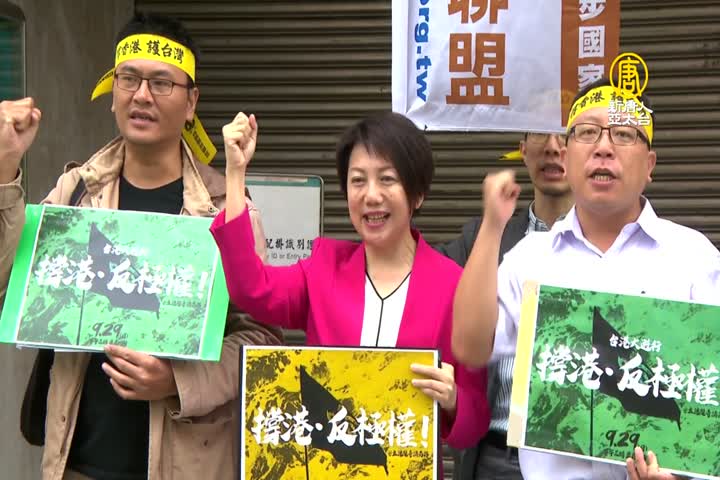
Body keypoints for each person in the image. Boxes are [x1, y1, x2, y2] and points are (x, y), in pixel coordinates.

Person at [0, 12, 281, 480]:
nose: (142, 95)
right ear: (113, 93)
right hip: (76, 466)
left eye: (161, 83)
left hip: (185, 465)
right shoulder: (76, 194)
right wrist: (6, 167)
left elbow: (260, 339)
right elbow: (10, 287)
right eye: (128, 79)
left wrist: (177, 380)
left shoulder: (224, 210)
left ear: (191, 102)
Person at [451, 77, 719, 480]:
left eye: (623, 134)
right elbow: (470, 346)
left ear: (649, 165)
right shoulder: (530, 258)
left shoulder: (694, 258)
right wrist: (492, 226)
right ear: (568, 156)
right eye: (587, 132)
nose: (603, 147)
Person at [210, 110, 491, 475]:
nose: (371, 195)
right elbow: (251, 290)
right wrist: (235, 173)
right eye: (358, 181)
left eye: (387, 179)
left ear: (417, 193)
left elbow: (475, 421)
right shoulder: (323, 268)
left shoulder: (456, 287)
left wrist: (453, 400)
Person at [436, 132, 573, 480]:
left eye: (564, 135)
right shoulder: (481, 238)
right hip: (497, 455)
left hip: (575, 458)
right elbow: (421, 274)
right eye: (540, 133)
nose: (553, 147)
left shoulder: (613, 244)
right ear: (523, 150)